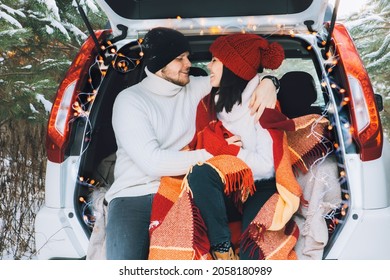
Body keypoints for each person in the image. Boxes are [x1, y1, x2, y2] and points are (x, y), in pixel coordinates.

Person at [103, 27, 279, 260]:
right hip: (133, 194)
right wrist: (214, 154)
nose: (189, 63)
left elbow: (238, 76)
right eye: (179, 59)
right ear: (159, 64)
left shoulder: (193, 86)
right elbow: (152, 162)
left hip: (183, 188)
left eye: (187, 56)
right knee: (123, 264)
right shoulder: (131, 100)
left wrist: (270, 82)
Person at [186, 33, 286, 260]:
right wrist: (219, 151)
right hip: (227, 189)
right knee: (199, 173)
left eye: (214, 60)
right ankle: (222, 249)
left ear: (232, 67)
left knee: (253, 250)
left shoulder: (263, 104)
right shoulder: (209, 101)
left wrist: (230, 152)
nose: (208, 65)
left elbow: (268, 166)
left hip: (259, 187)